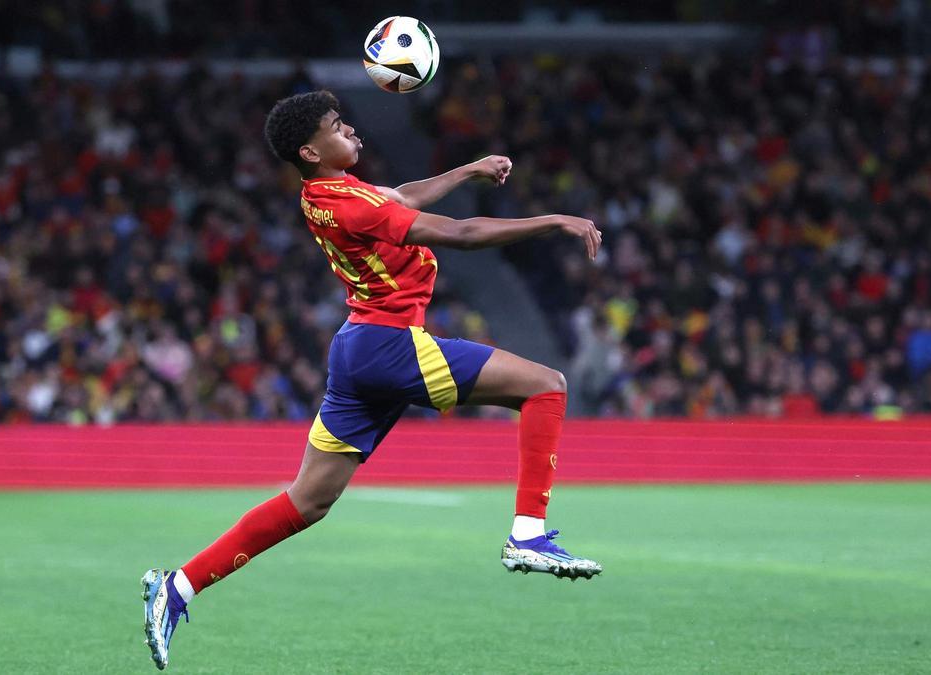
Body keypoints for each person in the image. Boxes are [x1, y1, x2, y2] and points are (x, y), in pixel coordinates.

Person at [141, 90, 603, 670]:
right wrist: (553, 220)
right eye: (338, 126)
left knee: (305, 502)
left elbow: (402, 196)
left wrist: (466, 169)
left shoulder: (326, 195)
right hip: (389, 346)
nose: (351, 130)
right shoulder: (353, 203)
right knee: (547, 385)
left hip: (356, 352)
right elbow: (459, 235)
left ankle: (177, 588)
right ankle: (528, 534)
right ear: (311, 150)